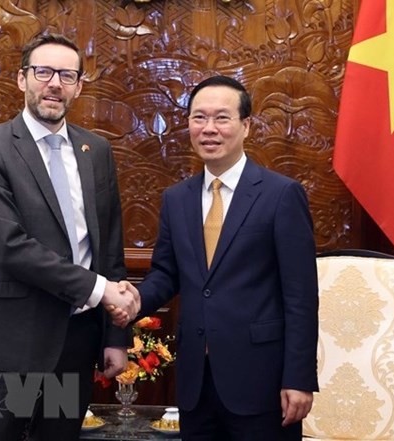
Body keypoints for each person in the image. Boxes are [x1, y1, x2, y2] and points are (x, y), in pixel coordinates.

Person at [0, 33, 139, 441]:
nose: (55, 83)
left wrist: (115, 337)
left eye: (67, 75)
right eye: (44, 72)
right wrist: (101, 290)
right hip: (9, 344)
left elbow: (108, 246)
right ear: (22, 80)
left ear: (78, 86)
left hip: (73, 344)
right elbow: (10, 247)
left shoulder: (97, 151)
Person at [124, 75, 319, 440]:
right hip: (196, 381)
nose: (208, 129)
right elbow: (166, 274)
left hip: (262, 379)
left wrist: (299, 377)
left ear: (245, 125)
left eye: (221, 118)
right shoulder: (176, 198)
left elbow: (301, 298)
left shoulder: (281, 195)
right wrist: (132, 300)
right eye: (199, 118)